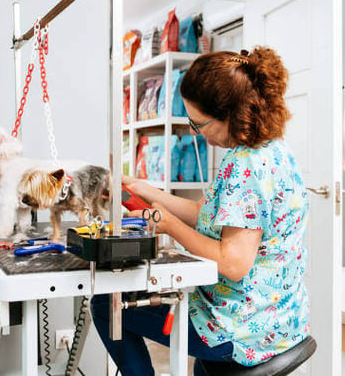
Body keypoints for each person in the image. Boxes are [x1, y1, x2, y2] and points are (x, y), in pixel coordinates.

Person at [92, 47, 310, 375]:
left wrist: (169, 226)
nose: (200, 134)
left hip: (243, 329)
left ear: (229, 115)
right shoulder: (274, 150)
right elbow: (213, 217)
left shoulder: (245, 166)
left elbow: (233, 263)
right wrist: (141, 188)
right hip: (281, 316)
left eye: (199, 124)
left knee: (107, 306)